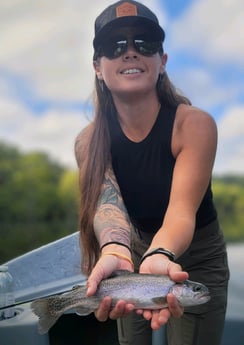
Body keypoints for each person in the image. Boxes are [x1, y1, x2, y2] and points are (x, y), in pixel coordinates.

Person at [75, 1, 229, 344]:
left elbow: (180, 213)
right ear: (98, 67)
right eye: (115, 46)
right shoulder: (87, 142)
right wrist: (115, 251)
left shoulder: (194, 124)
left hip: (198, 258)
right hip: (129, 253)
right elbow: (107, 207)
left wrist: (159, 255)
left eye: (144, 42)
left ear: (162, 61)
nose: (130, 52)